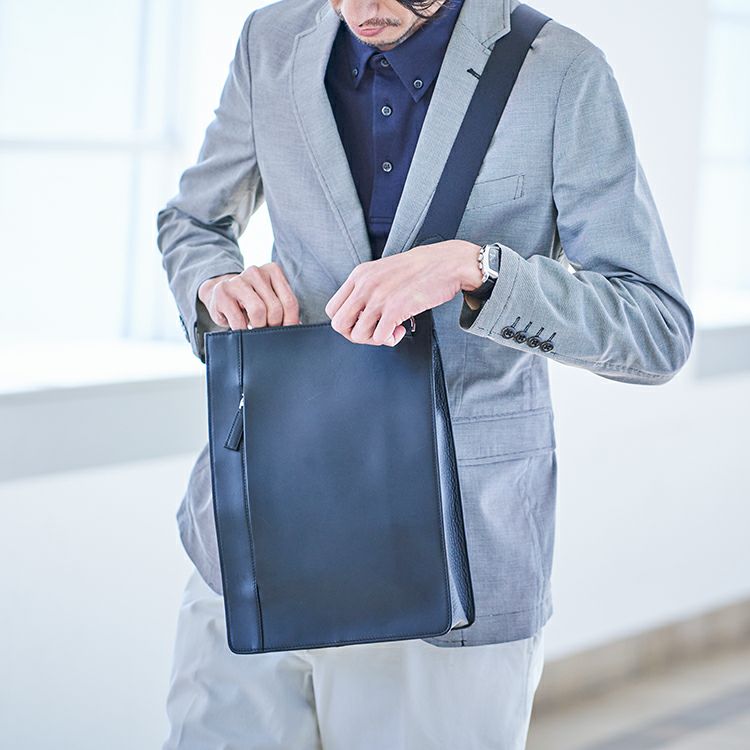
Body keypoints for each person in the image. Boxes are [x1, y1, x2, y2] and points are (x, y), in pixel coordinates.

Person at [156, 0, 694, 746]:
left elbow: (655, 327)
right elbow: (192, 221)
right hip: (256, 534)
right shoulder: (269, 40)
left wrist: (482, 272)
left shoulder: (564, 72)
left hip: (456, 558)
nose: (362, 9)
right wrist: (214, 285)